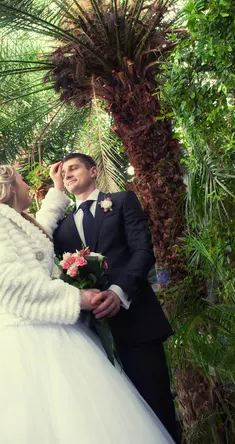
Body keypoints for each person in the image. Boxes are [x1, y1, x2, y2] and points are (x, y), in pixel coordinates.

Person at [0, 163, 175, 443]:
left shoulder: (10, 220)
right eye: (22, 180)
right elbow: (7, 283)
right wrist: (77, 298)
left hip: (61, 332)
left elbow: (38, 235)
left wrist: (57, 191)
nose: (29, 186)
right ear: (7, 187)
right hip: (26, 342)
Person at [54, 153, 180, 443]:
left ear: (94, 171)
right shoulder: (62, 229)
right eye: (63, 173)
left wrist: (117, 292)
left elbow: (143, 251)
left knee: (156, 406)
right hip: (93, 336)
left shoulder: (122, 201)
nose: (68, 174)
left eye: (74, 168)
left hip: (137, 323)